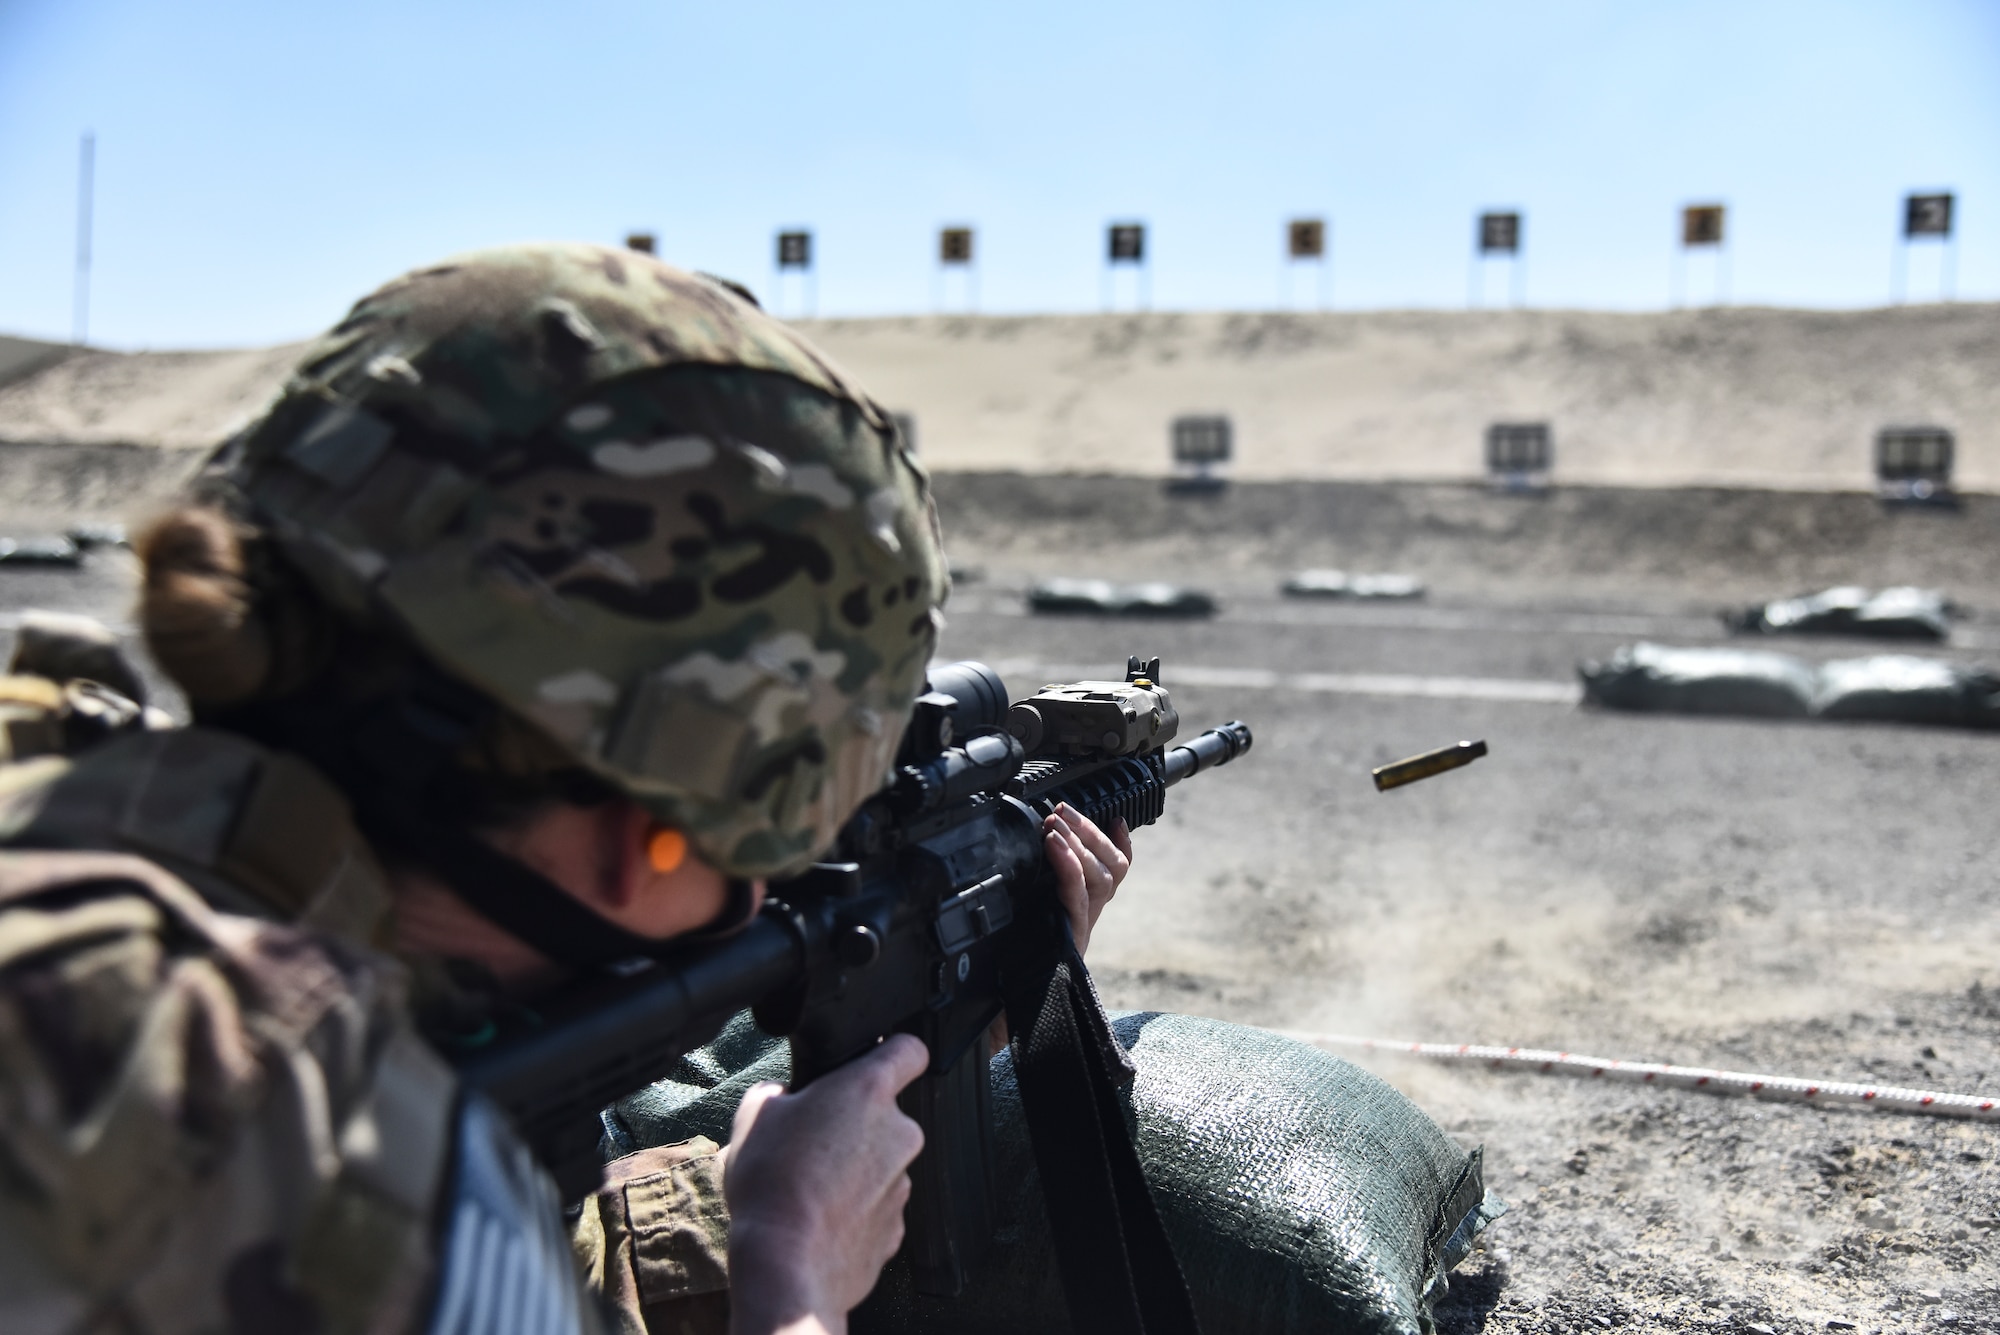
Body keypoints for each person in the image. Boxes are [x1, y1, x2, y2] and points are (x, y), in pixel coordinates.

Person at [0, 243, 1134, 1335]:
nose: (752, 903)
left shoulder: (80, 814)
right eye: (751, 848)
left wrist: (743, 1208)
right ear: (638, 833)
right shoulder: (258, 1132)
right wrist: (793, 1276)